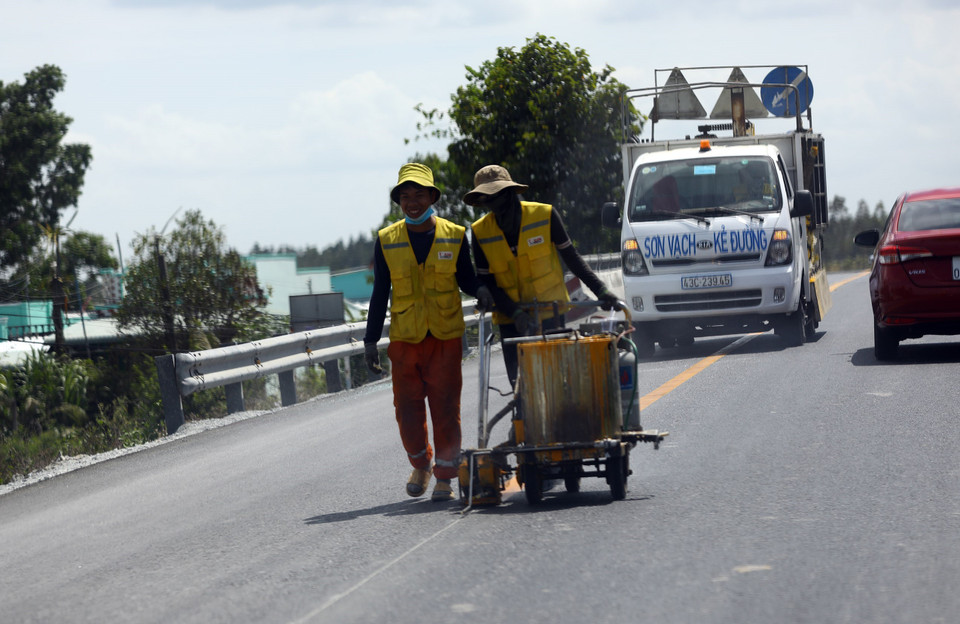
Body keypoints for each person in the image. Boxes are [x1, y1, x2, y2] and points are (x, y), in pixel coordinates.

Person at [363, 163, 494, 502]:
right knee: (406, 410)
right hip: (405, 339)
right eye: (405, 197)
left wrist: (481, 290)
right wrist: (370, 341)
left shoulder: (454, 234)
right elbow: (380, 293)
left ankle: (446, 477)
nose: (412, 202)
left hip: (445, 336)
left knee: (445, 407)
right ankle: (421, 465)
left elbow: (465, 278)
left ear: (433, 196)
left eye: (419, 195)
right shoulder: (386, 240)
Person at [465, 164, 620, 389]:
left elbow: (572, 258)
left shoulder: (544, 215)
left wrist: (601, 290)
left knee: (555, 380)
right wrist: (515, 313)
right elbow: (488, 281)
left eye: (497, 195)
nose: (494, 203)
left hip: (551, 312)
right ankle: (522, 419)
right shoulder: (480, 232)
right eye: (487, 198)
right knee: (520, 386)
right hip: (510, 318)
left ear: (509, 193)